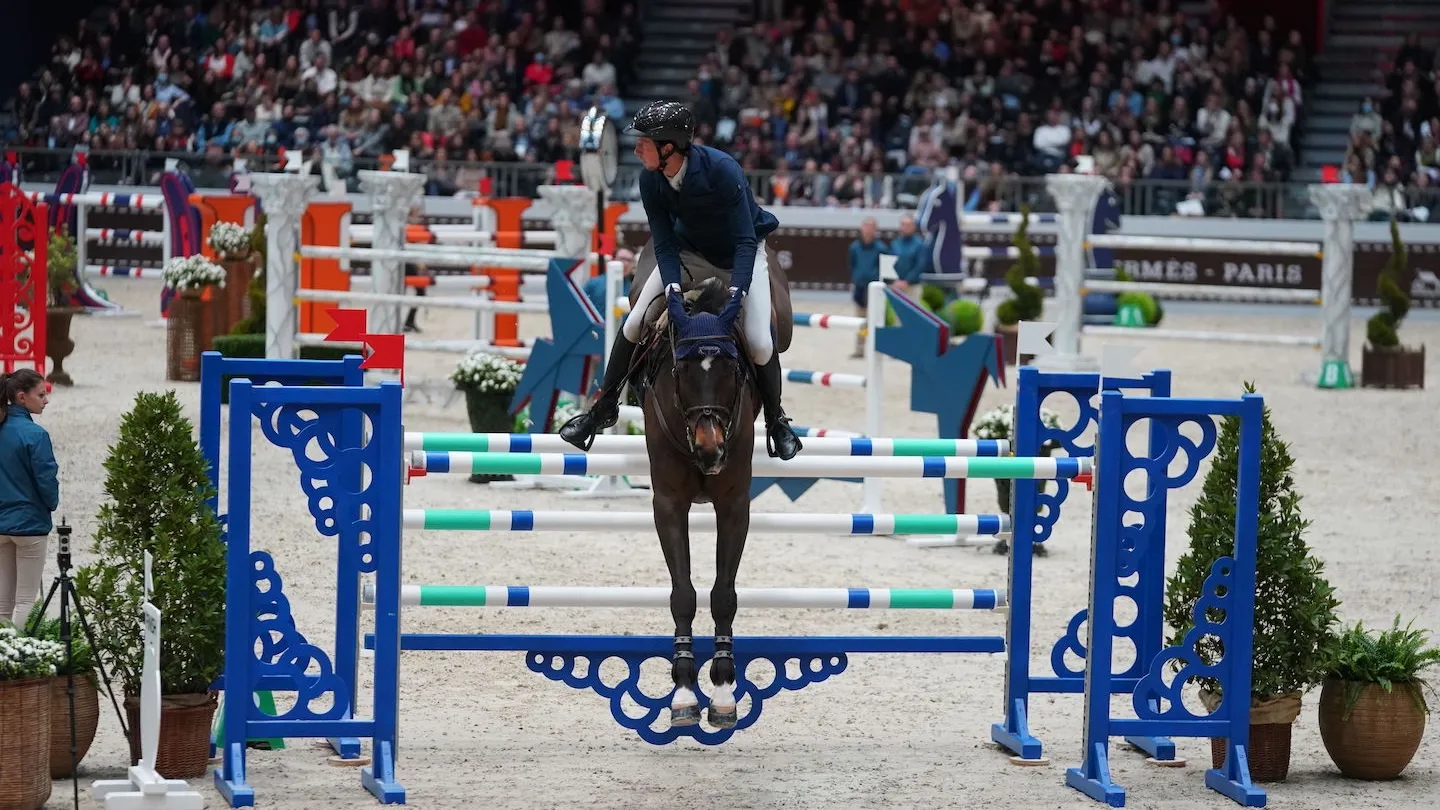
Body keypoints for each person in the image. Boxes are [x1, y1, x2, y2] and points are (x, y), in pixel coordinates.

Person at [558, 100, 802, 459]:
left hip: (740, 251)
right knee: (635, 322)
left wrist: (737, 294)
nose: (637, 148)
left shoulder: (722, 170)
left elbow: (746, 240)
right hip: (688, 252)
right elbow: (665, 242)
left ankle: (776, 422)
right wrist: (672, 289)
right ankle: (602, 408)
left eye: (644, 142)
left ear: (668, 147)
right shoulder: (650, 180)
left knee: (761, 342)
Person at [0, 369, 59, 627]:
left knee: (2, 602)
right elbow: (46, 481)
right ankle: (22, 661)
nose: (46, 400)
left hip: (1, 524)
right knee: (25, 600)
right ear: (22, 397)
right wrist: (51, 504)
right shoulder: (36, 435)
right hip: (30, 524)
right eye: (41, 394)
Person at [847, 217, 889, 358]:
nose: (867, 229)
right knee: (861, 321)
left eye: (870, 227)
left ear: (875, 230)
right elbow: (852, 265)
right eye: (865, 226)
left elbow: (884, 270)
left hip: (875, 290)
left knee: (876, 321)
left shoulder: (881, 248)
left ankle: (877, 349)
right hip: (860, 288)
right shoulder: (854, 247)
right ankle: (860, 348)